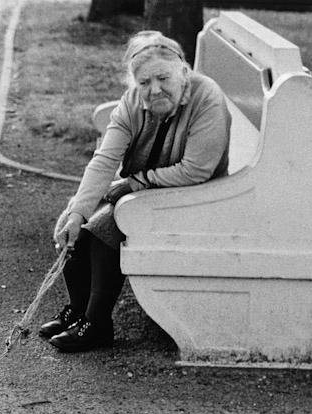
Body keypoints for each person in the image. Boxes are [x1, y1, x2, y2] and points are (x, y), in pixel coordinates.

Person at [41, 30, 231, 353]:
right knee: (75, 226)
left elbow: (196, 170)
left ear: (183, 73)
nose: (154, 89)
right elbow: (104, 162)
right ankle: (79, 309)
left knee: (106, 229)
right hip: (149, 187)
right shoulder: (132, 103)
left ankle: (97, 324)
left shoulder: (206, 97)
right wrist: (76, 211)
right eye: (144, 82)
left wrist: (135, 182)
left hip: (196, 195)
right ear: (134, 84)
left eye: (162, 78)